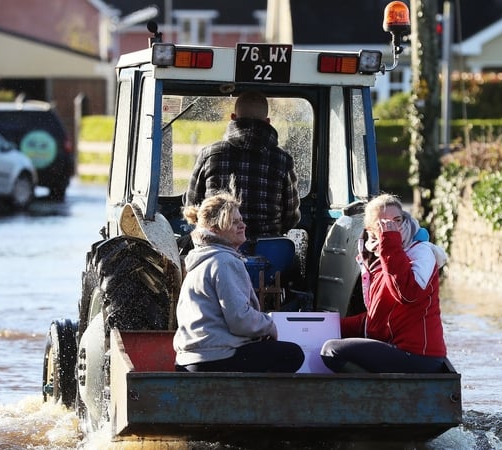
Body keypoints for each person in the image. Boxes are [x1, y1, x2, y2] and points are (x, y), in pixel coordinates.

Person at [173, 191, 304, 372]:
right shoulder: (225, 262)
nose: (242, 225)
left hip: (188, 359)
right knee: (293, 354)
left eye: (241, 219)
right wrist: (269, 325)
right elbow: (239, 319)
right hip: (216, 357)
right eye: (234, 222)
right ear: (215, 229)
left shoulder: (198, 261)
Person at [320, 194, 450, 373]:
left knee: (332, 351)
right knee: (326, 343)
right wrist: (327, 327)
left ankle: (372, 391)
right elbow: (378, 318)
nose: (393, 227)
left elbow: (407, 294)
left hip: (418, 355)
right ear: (370, 230)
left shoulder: (421, 252)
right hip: (394, 348)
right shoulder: (381, 258)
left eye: (397, 220)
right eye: (383, 224)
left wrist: (389, 240)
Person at [184, 91, 301, 241]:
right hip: (269, 249)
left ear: (233, 118)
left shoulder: (209, 155)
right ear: (267, 122)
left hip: (217, 246)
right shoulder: (283, 160)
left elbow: (192, 206)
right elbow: (291, 216)